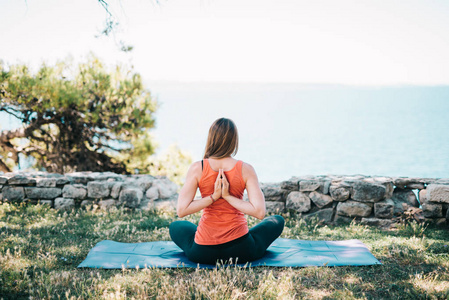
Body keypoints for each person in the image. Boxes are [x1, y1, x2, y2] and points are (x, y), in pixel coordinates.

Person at [169, 117, 284, 265]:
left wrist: (214, 197)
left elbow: (182, 210)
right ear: (234, 141)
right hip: (242, 250)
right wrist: (226, 197)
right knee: (277, 221)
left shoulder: (197, 168)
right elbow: (259, 212)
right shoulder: (246, 169)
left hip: (202, 252)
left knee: (175, 226)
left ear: (211, 139)